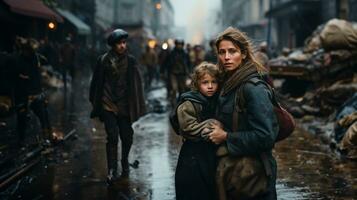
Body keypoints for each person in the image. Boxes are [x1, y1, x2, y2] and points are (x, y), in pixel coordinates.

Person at [208, 27, 279, 200]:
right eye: (222, 52)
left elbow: (265, 136)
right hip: (235, 175)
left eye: (232, 51)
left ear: (244, 54)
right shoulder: (228, 83)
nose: (226, 57)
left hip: (253, 178)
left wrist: (226, 136)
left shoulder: (253, 88)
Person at [89, 29, 146, 184]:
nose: (122, 46)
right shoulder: (103, 60)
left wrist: (138, 104)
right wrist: (95, 102)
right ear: (113, 45)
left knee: (127, 137)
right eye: (119, 43)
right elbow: (96, 82)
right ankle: (112, 170)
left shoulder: (131, 61)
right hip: (108, 103)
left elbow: (137, 84)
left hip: (125, 105)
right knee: (112, 136)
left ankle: (124, 161)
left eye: (123, 43)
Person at [175, 62, 220, 200]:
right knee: (194, 190)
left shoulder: (218, 101)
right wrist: (212, 125)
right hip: (193, 154)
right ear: (197, 83)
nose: (210, 86)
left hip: (211, 154)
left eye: (214, 82)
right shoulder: (188, 103)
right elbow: (188, 128)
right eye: (205, 82)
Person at [165, 39, 191, 106]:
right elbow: (166, 62)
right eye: (178, 44)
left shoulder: (185, 53)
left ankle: (180, 102)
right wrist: (163, 72)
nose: (179, 46)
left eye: (180, 44)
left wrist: (189, 72)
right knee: (174, 88)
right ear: (176, 45)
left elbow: (188, 63)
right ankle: (173, 102)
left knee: (182, 89)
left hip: (182, 74)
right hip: (173, 74)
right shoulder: (171, 53)